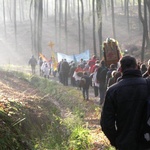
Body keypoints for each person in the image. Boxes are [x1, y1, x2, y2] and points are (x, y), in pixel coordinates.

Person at [100, 55, 150, 150]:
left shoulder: (112, 91)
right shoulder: (148, 85)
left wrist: (117, 141)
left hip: (125, 143)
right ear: (137, 67)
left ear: (120, 69)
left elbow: (106, 124)